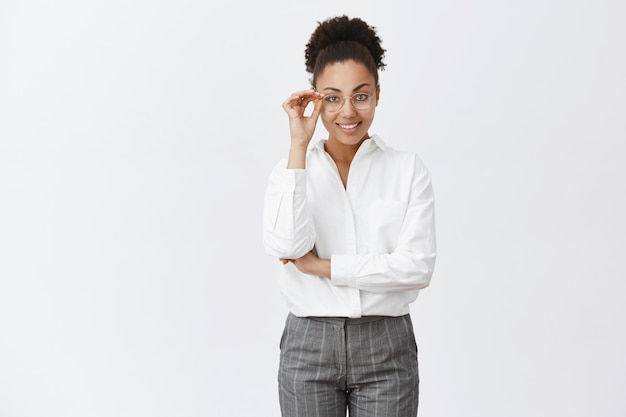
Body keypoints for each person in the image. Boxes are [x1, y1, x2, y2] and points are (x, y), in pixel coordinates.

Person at [263, 15, 436, 417]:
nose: (348, 112)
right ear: (316, 99)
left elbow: (416, 269)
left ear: (377, 94)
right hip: (308, 345)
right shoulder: (290, 170)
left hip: (385, 346)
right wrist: (298, 147)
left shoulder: (407, 170)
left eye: (360, 95)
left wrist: (322, 266)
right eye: (333, 97)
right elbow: (287, 245)